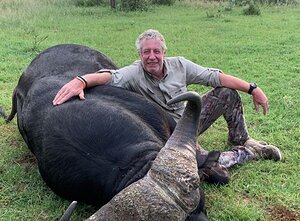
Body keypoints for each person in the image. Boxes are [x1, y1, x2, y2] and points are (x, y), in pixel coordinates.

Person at [52, 29, 281, 169]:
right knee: (200, 164)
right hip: (166, 132)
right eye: (146, 52)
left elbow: (215, 77)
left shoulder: (180, 65)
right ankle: (250, 153)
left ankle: (240, 138)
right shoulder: (133, 73)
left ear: (164, 52)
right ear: (140, 55)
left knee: (226, 93)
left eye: (156, 51)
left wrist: (253, 89)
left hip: (190, 121)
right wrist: (81, 80)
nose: (151, 57)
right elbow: (108, 77)